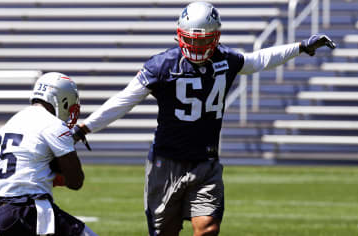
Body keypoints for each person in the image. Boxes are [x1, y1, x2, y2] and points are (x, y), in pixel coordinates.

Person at [71, 2, 336, 236]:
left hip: (206, 162)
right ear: (180, 35)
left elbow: (260, 60)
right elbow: (124, 99)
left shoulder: (227, 59)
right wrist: (86, 126)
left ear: (216, 37)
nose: (197, 45)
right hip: (166, 163)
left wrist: (300, 47)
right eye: (192, 39)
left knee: (208, 229)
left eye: (204, 40)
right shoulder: (161, 66)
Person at [0, 72, 97, 236]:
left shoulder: (8, 125)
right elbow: (76, 181)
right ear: (62, 99)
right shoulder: (53, 125)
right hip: (29, 209)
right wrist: (58, 172)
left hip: (0, 211)